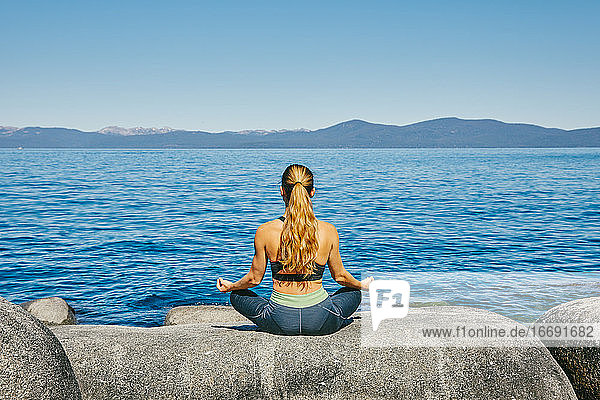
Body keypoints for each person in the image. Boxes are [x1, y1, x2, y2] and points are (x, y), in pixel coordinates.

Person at [216, 164, 373, 335]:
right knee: (354, 292)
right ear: (312, 192)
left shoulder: (265, 231)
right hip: (320, 320)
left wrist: (231, 286)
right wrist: (362, 285)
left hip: (279, 321)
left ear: (282, 191)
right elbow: (340, 276)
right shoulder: (328, 230)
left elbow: (253, 279)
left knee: (237, 295)